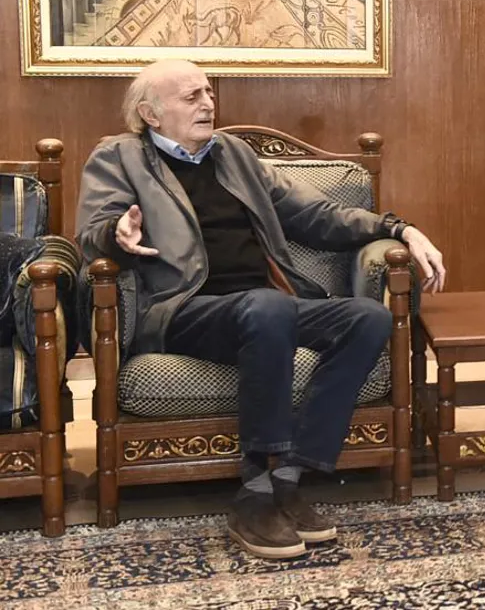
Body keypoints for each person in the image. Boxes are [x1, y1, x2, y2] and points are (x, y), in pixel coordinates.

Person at [76, 60, 448, 559]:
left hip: (264, 307)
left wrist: (398, 228)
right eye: (191, 97)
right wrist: (116, 234)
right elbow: (93, 233)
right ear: (150, 113)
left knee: (368, 318)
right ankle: (254, 488)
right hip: (181, 309)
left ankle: (291, 475)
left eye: (209, 93)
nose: (208, 104)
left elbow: (314, 215)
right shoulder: (120, 157)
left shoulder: (234, 154)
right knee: (268, 306)